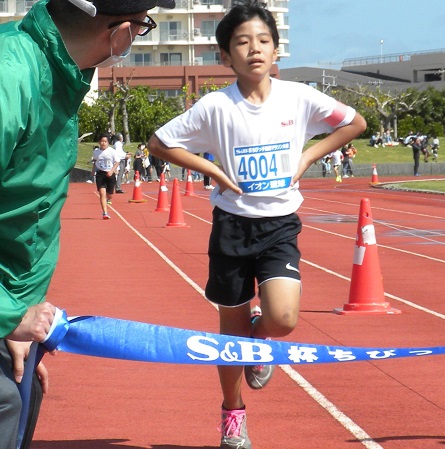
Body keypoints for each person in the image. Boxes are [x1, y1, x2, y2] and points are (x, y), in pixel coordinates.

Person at [146, 2, 366, 447]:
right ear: (226, 56)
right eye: (242, 42)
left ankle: (259, 338)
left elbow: (354, 123)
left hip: (280, 223)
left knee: (283, 320)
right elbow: (159, 143)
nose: (254, 49)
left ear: (276, 49)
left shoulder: (299, 97)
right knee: (230, 333)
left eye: (263, 40)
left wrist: (307, 155)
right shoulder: (214, 106)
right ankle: (233, 413)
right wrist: (212, 170)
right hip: (231, 225)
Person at [0, 0, 175, 448]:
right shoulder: (11, 77)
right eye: (141, 28)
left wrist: (14, 324)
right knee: (4, 403)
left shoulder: (56, 76)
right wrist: (6, 315)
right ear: (117, 33)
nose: (136, 40)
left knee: (22, 395)